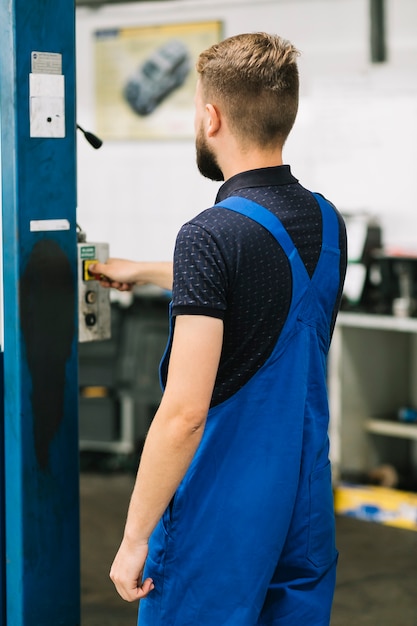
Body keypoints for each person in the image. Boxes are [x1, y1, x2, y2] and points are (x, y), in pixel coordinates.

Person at [89, 32, 347, 626]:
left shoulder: (209, 234)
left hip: (222, 511)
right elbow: (268, 289)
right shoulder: (327, 221)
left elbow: (185, 414)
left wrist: (134, 537)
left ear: (210, 116)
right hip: (304, 504)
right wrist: (153, 271)